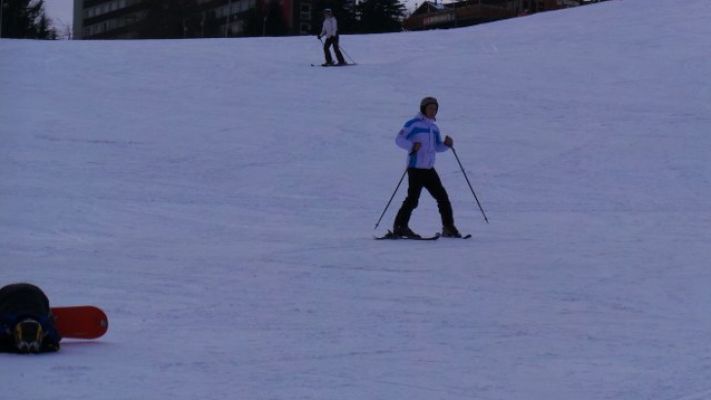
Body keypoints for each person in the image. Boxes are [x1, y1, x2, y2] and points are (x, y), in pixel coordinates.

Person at [392, 96, 462, 238]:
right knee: (413, 199)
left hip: (429, 169)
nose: (433, 111)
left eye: (435, 109)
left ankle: (448, 227)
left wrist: (446, 145)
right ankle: (400, 227)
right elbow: (399, 139)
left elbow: (436, 147)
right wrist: (412, 146)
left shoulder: (434, 128)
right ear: (423, 108)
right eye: (430, 108)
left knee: (442, 197)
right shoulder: (413, 124)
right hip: (415, 167)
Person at [0, 283, 61, 353]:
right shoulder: (6, 321)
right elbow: (55, 341)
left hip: (35, 293)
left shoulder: (44, 321)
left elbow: (55, 340)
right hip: (29, 293)